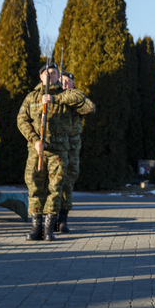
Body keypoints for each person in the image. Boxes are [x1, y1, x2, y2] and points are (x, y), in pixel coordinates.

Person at [17, 63, 87, 242]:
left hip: (58, 150)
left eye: (54, 73)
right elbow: (22, 120)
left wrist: (55, 99)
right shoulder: (32, 97)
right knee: (35, 187)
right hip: (37, 151)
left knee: (55, 189)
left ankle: (49, 227)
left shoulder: (65, 95)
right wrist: (35, 140)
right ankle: (36, 227)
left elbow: (82, 99)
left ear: (58, 76)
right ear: (41, 77)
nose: (50, 76)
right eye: (47, 73)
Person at [56, 71, 95, 233]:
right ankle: (51, 217)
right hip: (55, 145)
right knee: (53, 182)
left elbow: (90, 108)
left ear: (73, 84)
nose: (65, 83)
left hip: (71, 147)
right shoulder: (53, 96)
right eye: (62, 80)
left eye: (68, 81)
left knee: (68, 181)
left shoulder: (78, 98)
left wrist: (71, 99)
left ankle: (63, 218)